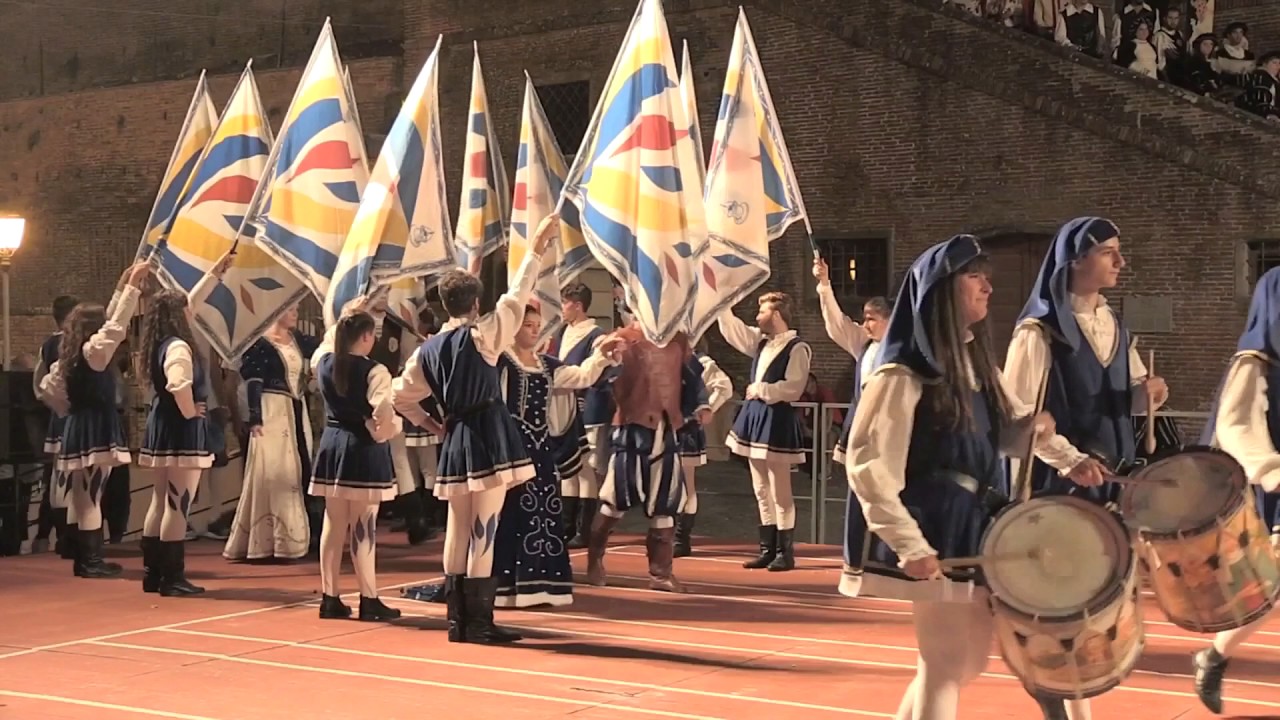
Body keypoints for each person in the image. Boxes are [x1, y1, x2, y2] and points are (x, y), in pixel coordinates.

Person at [846, 235, 1055, 720]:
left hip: (972, 520)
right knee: (945, 663)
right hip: (935, 523)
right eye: (974, 275)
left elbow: (998, 436)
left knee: (963, 662)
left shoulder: (975, 362)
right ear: (943, 290)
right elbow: (868, 462)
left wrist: (1036, 432)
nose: (988, 285)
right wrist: (909, 544)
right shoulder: (903, 372)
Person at [392, 214, 557, 644]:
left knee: (457, 528)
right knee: (485, 524)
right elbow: (519, 293)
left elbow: (400, 397)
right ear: (476, 304)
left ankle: (456, 622)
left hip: (456, 437)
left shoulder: (427, 349)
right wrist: (536, 247)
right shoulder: (483, 335)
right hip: (486, 433)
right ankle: (479, 623)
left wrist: (431, 423)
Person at [1004, 217, 1168, 508]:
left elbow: (1129, 398)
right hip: (1060, 485)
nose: (1121, 261)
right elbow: (1019, 416)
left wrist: (1146, 396)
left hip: (1115, 477)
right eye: (1107, 253)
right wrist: (1070, 460)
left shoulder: (1116, 325)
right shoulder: (1039, 331)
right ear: (1076, 260)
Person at [1191, 267, 1280, 715]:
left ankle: (1214, 656)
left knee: (1273, 589)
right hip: (1276, 486)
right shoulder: (1255, 360)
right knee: (1269, 588)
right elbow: (1236, 423)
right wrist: (1271, 470)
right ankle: (1214, 655)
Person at [493, 305, 620, 607]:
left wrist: (602, 355)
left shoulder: (547, 365)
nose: (535, 330)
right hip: (512, 450)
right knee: (512, 514)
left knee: (543, 517)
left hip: (540, 450)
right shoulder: (501, 364)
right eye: (528, 325)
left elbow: (581, 376)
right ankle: (507, 588)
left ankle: (541, 586)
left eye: (537, 325)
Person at [585, 309, 711, 592]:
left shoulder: (679, 341)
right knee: (614, 498)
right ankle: (595, 561)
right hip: (631, 430)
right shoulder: (620, 339)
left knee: (666, 501)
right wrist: (607, 360)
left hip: (667, 431)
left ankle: (661, 573)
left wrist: (701, 405)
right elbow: (598, 381)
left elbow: (694, 379)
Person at [41, 261, 151, 578]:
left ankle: (81, 554)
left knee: (81, 493)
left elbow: (48, 392)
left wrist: (124, 283)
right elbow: (116, 325)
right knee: (91, 494)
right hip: (96, 426)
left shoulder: (70, 354)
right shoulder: (94, 352)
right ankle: (90, 561)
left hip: (77, 424)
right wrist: (130, 289)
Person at [136, 256, 227, 595]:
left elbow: (192, 300)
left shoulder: (160, 342)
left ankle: (153, 573)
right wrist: (190, 412)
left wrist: (214, 274)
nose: (192, 310)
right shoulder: (179, 346)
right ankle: (172, 578)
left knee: (160, 500)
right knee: (178, 502)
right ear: (179, 315)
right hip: (181, 429)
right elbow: (179, 384)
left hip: (161, 426)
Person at [309, 308, 402, 622]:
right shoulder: (375, 371)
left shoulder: (323, 363)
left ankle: (329, 597)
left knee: (333, 525)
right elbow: (383, 410)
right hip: (362, 448)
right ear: (366, 337)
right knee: (364, 525)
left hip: (332, 444)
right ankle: (369, 597)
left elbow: (325, 343)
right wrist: (386, 431)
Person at [812, 254, 892, 597]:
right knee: (859, 499)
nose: (865, 325)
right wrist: (824, 285)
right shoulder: (865, 346)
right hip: (861, 434)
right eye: (864, 319)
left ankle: (888, 564)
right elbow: (836, 324)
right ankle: (857, 566)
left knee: (890, 500)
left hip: (890, 437)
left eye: (871, 319)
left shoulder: (903, 351)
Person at [717, 292, 811, 571]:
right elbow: (733, 330)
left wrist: (761, 390)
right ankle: (767, 549)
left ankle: (785, 551)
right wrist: (721, 303)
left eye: (762, 312)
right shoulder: (761, 343)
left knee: (780, 488)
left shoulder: (797, 348)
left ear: (777, 315)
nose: (757, 317)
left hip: (776, 418)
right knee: (760, 487)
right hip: (756, 417)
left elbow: (794, 386)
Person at [223, 302, 320, 562]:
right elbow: (254, 381)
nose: (296, 314)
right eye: (291, 310)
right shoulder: (259, 344)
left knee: (297, 470)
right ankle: (271, 541)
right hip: (272, 412)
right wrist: (255, 417)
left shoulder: (298, 339)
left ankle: (298, 538)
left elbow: (325, 350)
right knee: (273, 471)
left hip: (296, 410)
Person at [548, 281, 613, 548]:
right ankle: (565, 526)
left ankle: (584, 530)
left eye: (564, 303)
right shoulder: (562, 332)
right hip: (564, 410)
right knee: (568, 468)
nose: (561, 309)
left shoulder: (596, 335)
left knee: (586, 469)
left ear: (577, 305)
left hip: (588, 411)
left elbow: (598, 374)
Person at [673, 340, 732, 558]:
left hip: (688, 427)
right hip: (670, 425)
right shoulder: (672, 358)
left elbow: (724, 386)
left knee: (686, 483)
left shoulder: (701, 361)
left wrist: (707, 409)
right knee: (670, 481)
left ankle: (682, 537)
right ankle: (671, 533)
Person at [33, 294, 80, 560]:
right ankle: (70, 537)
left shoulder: (47, 344)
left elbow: (39, 384)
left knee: (59, 479)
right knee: (73, 479)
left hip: (58, 416)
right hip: (75, 417)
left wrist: (52, 403)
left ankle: (64, 536)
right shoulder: (69, 343)